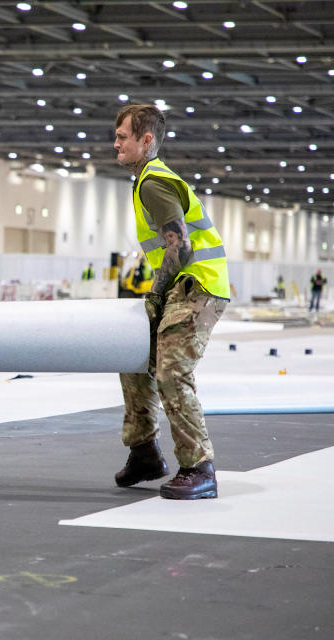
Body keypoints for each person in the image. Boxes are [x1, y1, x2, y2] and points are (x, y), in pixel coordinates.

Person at [112, 104, 231, 500]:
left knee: (171, 371)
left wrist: (157, 293)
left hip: (198, 286)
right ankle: (144, 452)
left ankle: (200, 468)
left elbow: (180, 245)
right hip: (184, 284)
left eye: (122, 137)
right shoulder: (146, 179)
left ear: (146, 140)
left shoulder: (153, 182)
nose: (115, 143)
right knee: (132, 358)